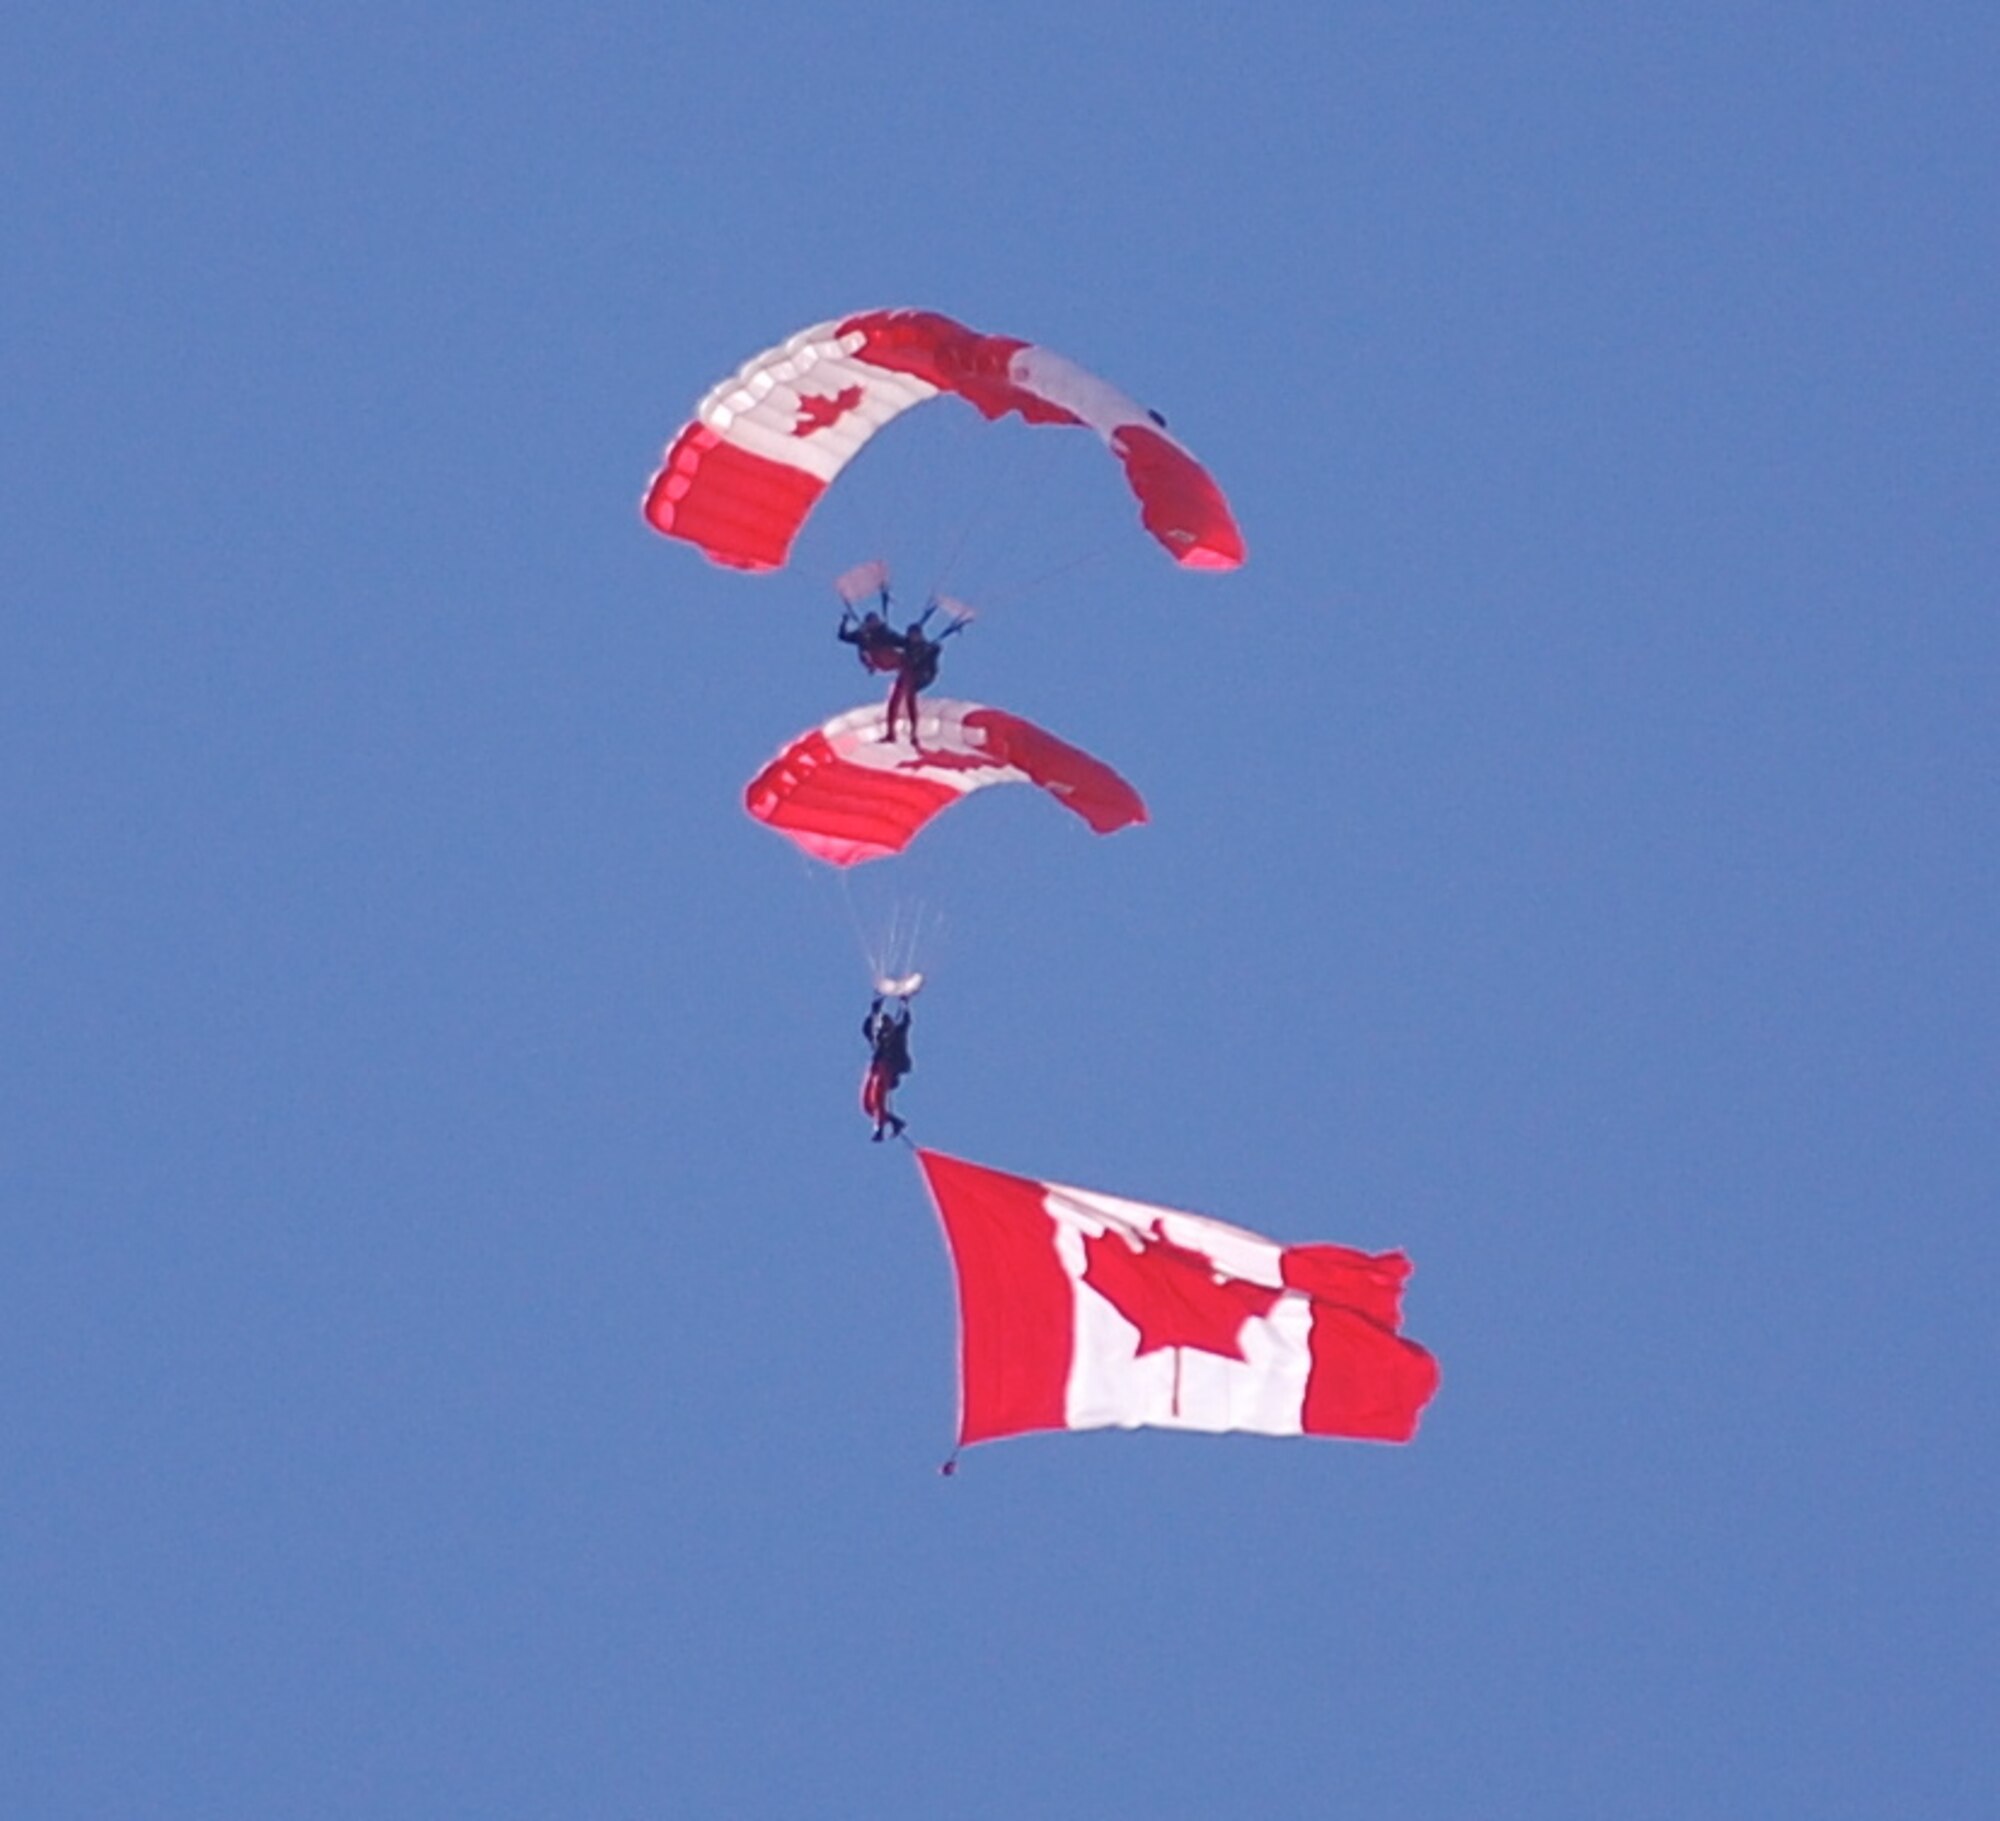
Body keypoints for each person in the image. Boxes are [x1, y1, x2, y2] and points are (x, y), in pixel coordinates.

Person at [883, 599, 973, 746]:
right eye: (911, 635)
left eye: (915, 635)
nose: (913, 638)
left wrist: (933, 651)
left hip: (922, 675)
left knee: (909, 696)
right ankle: (890, 733)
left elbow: (933, 657)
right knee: (896, 699)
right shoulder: (907, 644)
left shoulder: (928, 648)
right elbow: (892, 639)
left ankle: (913, 734)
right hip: (908, 675)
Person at [860, 995, 913, 1141]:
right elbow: (874, 1028)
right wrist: (876, 1009)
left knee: (877, 1093)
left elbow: (905, 1022)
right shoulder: (877, 1037)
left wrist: (904, 1003)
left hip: (889, 1066)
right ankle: (894, 1121)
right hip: (876, 1066)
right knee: (867, 1105)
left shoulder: (897, 1034)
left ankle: (880, 1127)